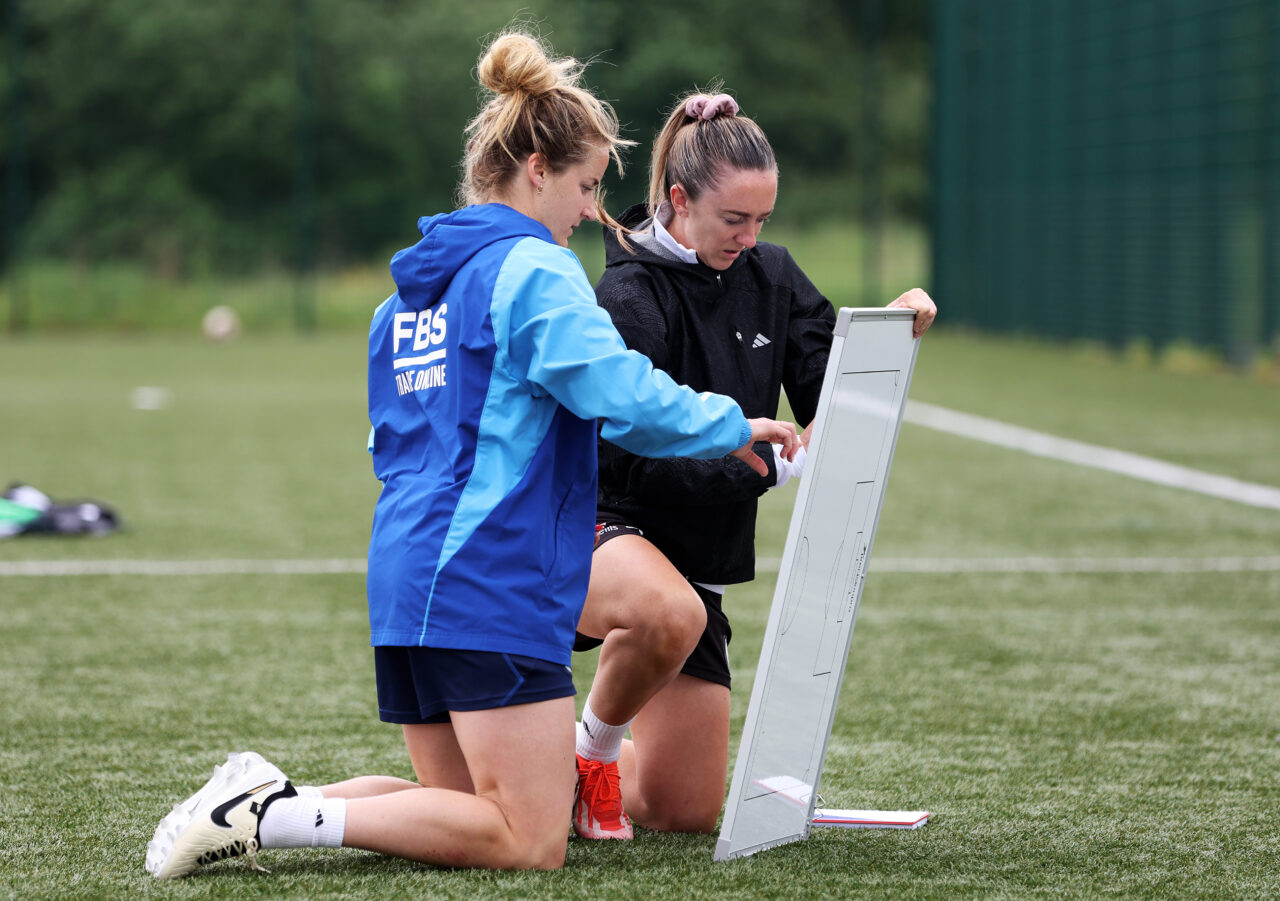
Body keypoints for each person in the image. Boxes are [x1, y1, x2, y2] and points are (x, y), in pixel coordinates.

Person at [144, 38, 798, 878]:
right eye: (588, 185)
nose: (594, 211)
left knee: (467, 816)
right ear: (535, 169)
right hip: (488, 575)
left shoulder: (406, 297)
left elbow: (392, 442)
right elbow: (619, 394)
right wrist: (729, 425)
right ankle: (270, 819)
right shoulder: (535, 267)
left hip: (407, 574)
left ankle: (266, 798)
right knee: (529, 839)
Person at [569, 90, 936, 840]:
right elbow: (636, 465)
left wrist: (891, 335)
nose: (751, 236)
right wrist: (765, 470)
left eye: (763, 219)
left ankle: (555, 764)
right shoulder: (627, 294)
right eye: (735, 219)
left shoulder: (773, 275)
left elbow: (829, 390)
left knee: (686, 811)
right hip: (601, 531)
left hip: (697, 556)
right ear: (678, 199)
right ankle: (590, 752)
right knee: (672, 608)